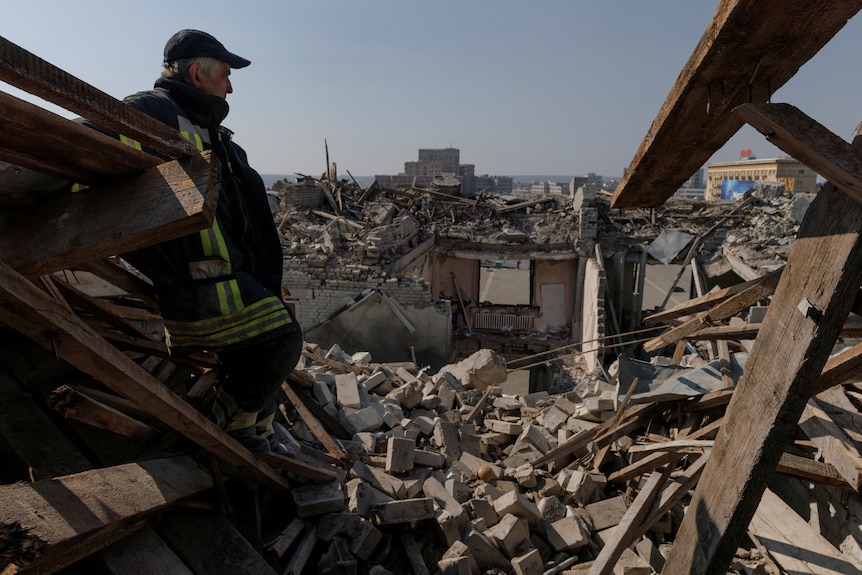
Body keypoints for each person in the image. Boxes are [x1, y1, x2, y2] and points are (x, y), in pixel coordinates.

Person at [105, 30, 303, 454]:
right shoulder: (154, 111)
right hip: (197, 285)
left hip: (223, 279)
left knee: (258, 349)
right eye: (226, 75)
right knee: (283, 338)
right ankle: (216, 433)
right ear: (197, 74)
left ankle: (254, 434)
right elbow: (81, 144)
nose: (230, 87)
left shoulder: (214, 133)